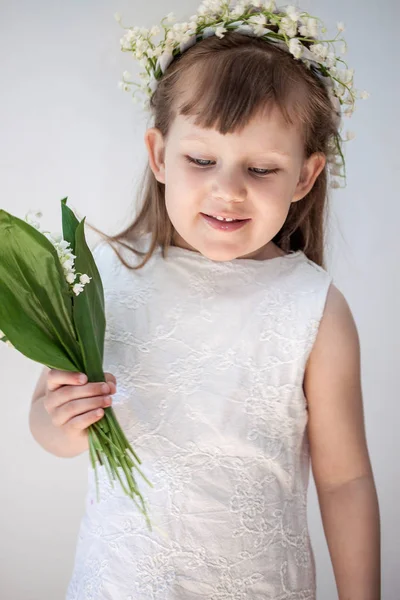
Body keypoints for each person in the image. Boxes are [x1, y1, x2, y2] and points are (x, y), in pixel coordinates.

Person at [29, 2, 381, 598]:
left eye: (262, 168)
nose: (228, 191)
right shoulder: (102, 277)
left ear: (304, 176)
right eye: (202, 160)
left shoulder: (313, 308)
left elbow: (345, 479)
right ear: (160, 154)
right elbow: (47, 416)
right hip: (119, 582)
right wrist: (59, 422)